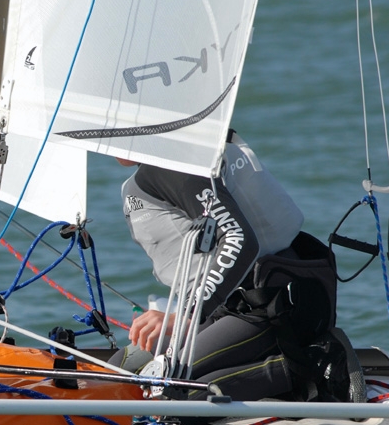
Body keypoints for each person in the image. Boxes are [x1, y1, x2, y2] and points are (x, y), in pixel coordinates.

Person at [109, 131, 339, 402]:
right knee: (118, 370)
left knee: (168, 394)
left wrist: (188, 315)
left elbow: (239, 238)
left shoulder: (171, 165)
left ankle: (312, 366)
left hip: (267, 305)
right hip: (226, 304)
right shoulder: (168, 162)